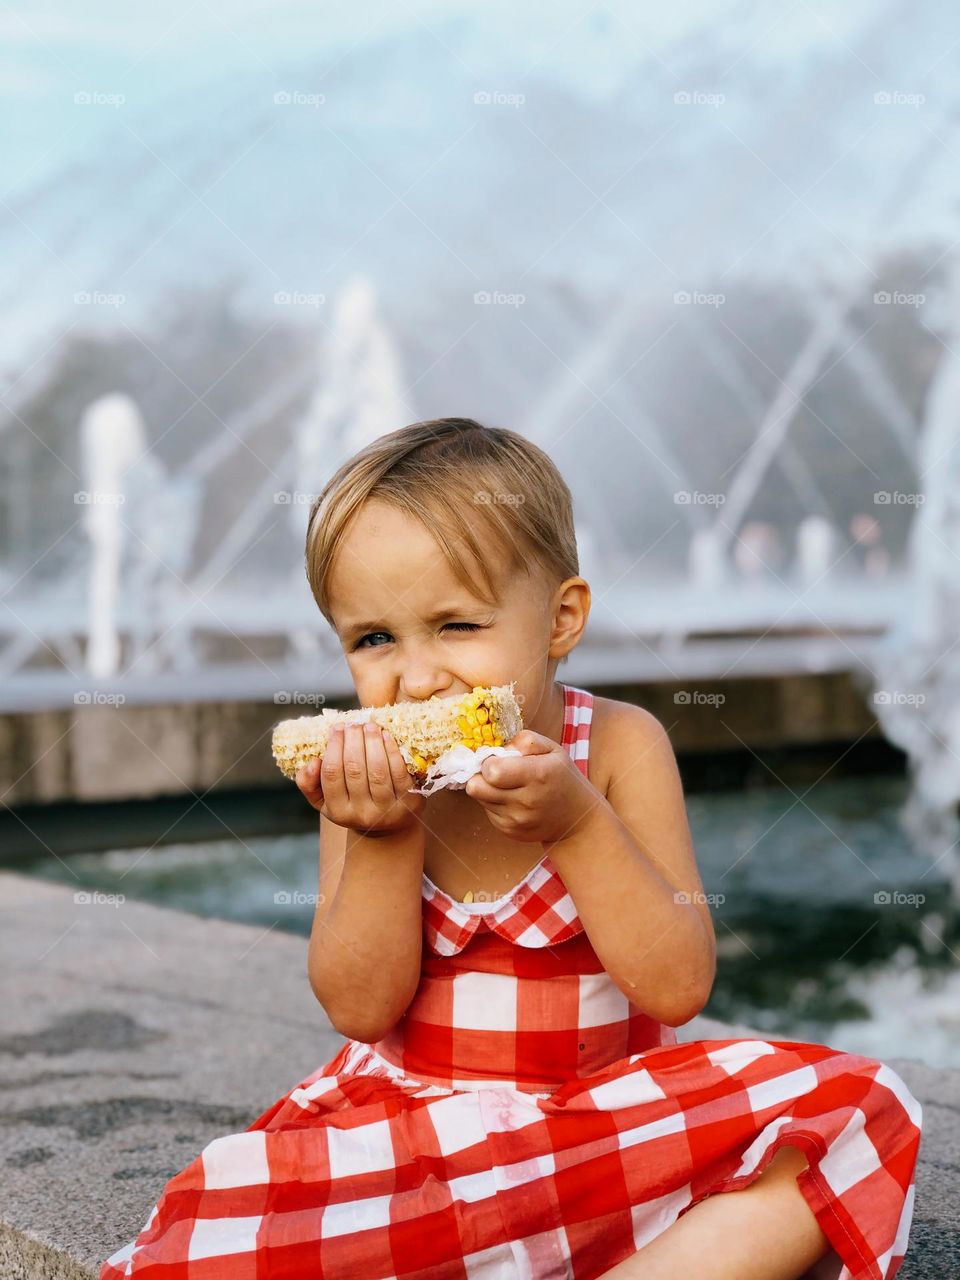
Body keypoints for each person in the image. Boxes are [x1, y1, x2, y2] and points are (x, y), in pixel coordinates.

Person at [100, 418, 922, 1280]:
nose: (416, 679)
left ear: (561, 619)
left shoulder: (617, 748)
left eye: (456, 626)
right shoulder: (366, 778)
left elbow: (678, 986)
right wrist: (381, 833)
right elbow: (360, 1007)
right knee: (231, 1215)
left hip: (597, 1138)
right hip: (418, 1150)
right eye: (374, 639)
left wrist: (578, 825)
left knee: (866, 1108)